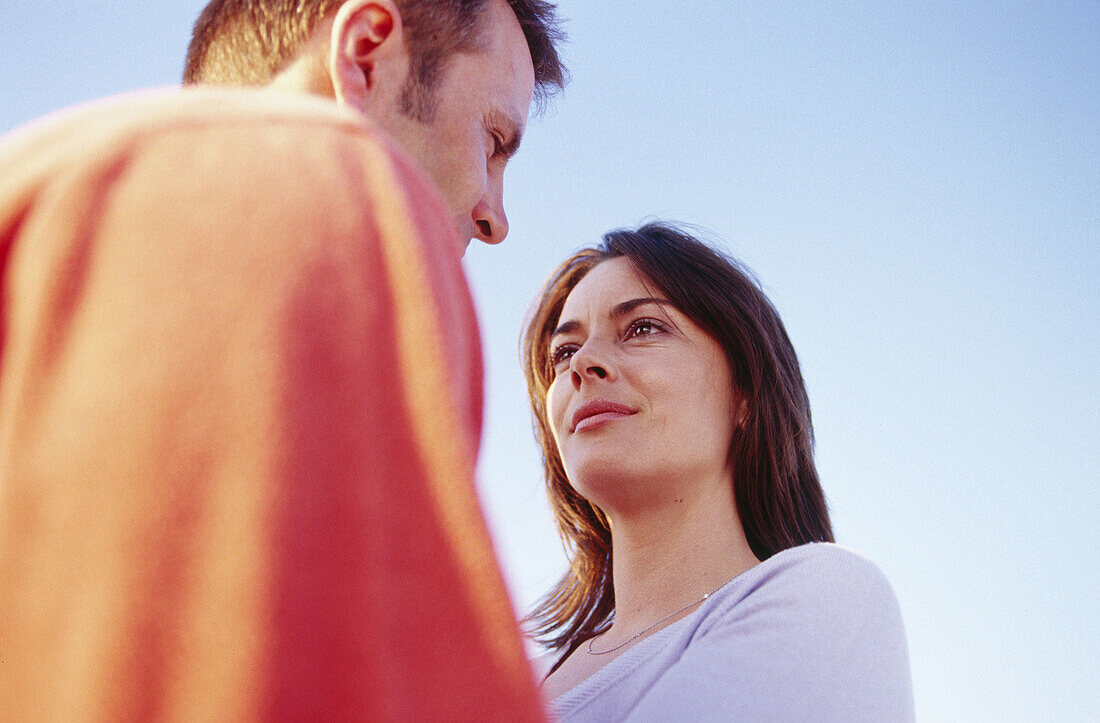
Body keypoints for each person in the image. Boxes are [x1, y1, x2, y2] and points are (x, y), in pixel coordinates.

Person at [0, 1, 564, 719]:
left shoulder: (42, 186)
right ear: (365, 53)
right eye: (493, 139)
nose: (495, 215)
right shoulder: (323, 190)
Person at [521, 222, 914, 720]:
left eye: (643, 328)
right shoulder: (495, 680)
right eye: (564, 352)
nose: (583, 364)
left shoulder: (829, 599)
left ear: (744, 394)